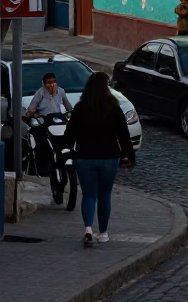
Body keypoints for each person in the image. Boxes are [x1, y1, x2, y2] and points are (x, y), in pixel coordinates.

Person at [63, 71, 136, 247]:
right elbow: (124, 135)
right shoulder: (114, 107)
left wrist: (67, 153)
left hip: (85, 158)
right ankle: (103, 233)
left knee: (88, 195)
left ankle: (88, 229)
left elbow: (69, 134)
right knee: (104, 196)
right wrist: (130, 156)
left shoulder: (80, 108)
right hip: (109, 157)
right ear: (105, 88)